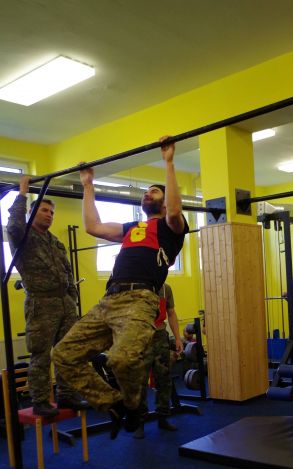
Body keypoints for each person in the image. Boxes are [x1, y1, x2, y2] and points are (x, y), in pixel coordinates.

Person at [52, 137, 188, 437]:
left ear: (165, 201)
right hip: (109, 299)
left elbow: (175, 210)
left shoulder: (171, 228)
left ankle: (133, 405)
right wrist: (88, 185)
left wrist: (168, 162)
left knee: (121, 359)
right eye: (146, 191)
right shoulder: (132, 228)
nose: (147, 193)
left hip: (140, 299)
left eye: (155, 191)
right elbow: (93, 227)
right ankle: (115, 404)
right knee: (63, 354)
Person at [7, 177, 88, 417]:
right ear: (31, 212)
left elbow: (67, 271)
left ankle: (66, 394)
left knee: (68, 351)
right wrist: (22, 193)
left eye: (52, 212)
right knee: (41, 354)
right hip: (41, 303)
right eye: (44, 210)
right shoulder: (23, 237)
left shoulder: (55, 242)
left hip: (65, 303)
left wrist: (72, 298)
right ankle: (40, 400)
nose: (49, 215)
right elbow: (13, 226)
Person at [132, 282, 183, 439]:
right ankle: (140, 422)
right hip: (140, 337)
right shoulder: (136, 286)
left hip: (160, 336)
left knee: (164, 379)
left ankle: (163, 417)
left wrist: (178, 338)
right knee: (140, 381)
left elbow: (171, 313)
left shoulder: (166, 288)